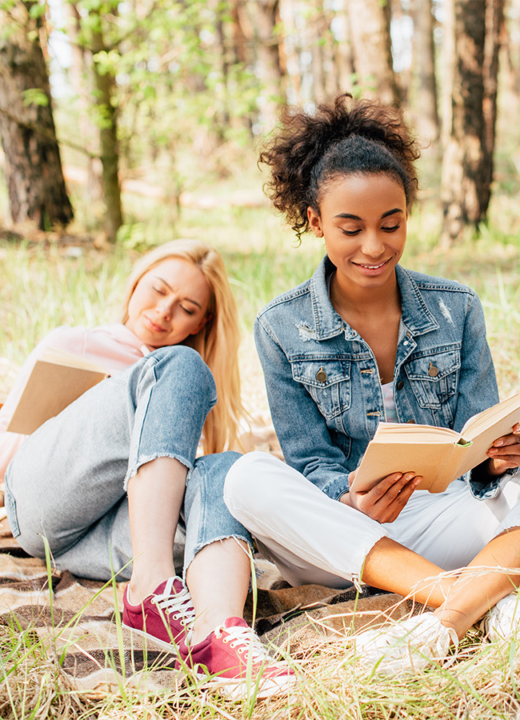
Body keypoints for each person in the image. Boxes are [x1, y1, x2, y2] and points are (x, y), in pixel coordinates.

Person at [223, 95, 520, 675]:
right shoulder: (282, 326)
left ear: (408, 213)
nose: (375, 247)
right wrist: (350, 497)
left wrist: (497, 458)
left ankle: (444, 621)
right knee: (246, 478)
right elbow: (309, 464)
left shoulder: (456, 308)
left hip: (449, 514)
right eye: (351, 228)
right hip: (347, 536)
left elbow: (476, 440)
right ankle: (483, 599)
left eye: (392, 224)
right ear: (315, 223)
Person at [1, 238, 294, 698]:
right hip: (43, 506)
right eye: (157, 290)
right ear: (136, 281)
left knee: (227, 469)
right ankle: (152, 586)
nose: (163, 311)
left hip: (110, 538)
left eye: (186, 307)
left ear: (203, 321)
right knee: (178, 365)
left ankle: (218, 633)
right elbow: (11, 445)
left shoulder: (187, 384)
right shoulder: (76, 342)